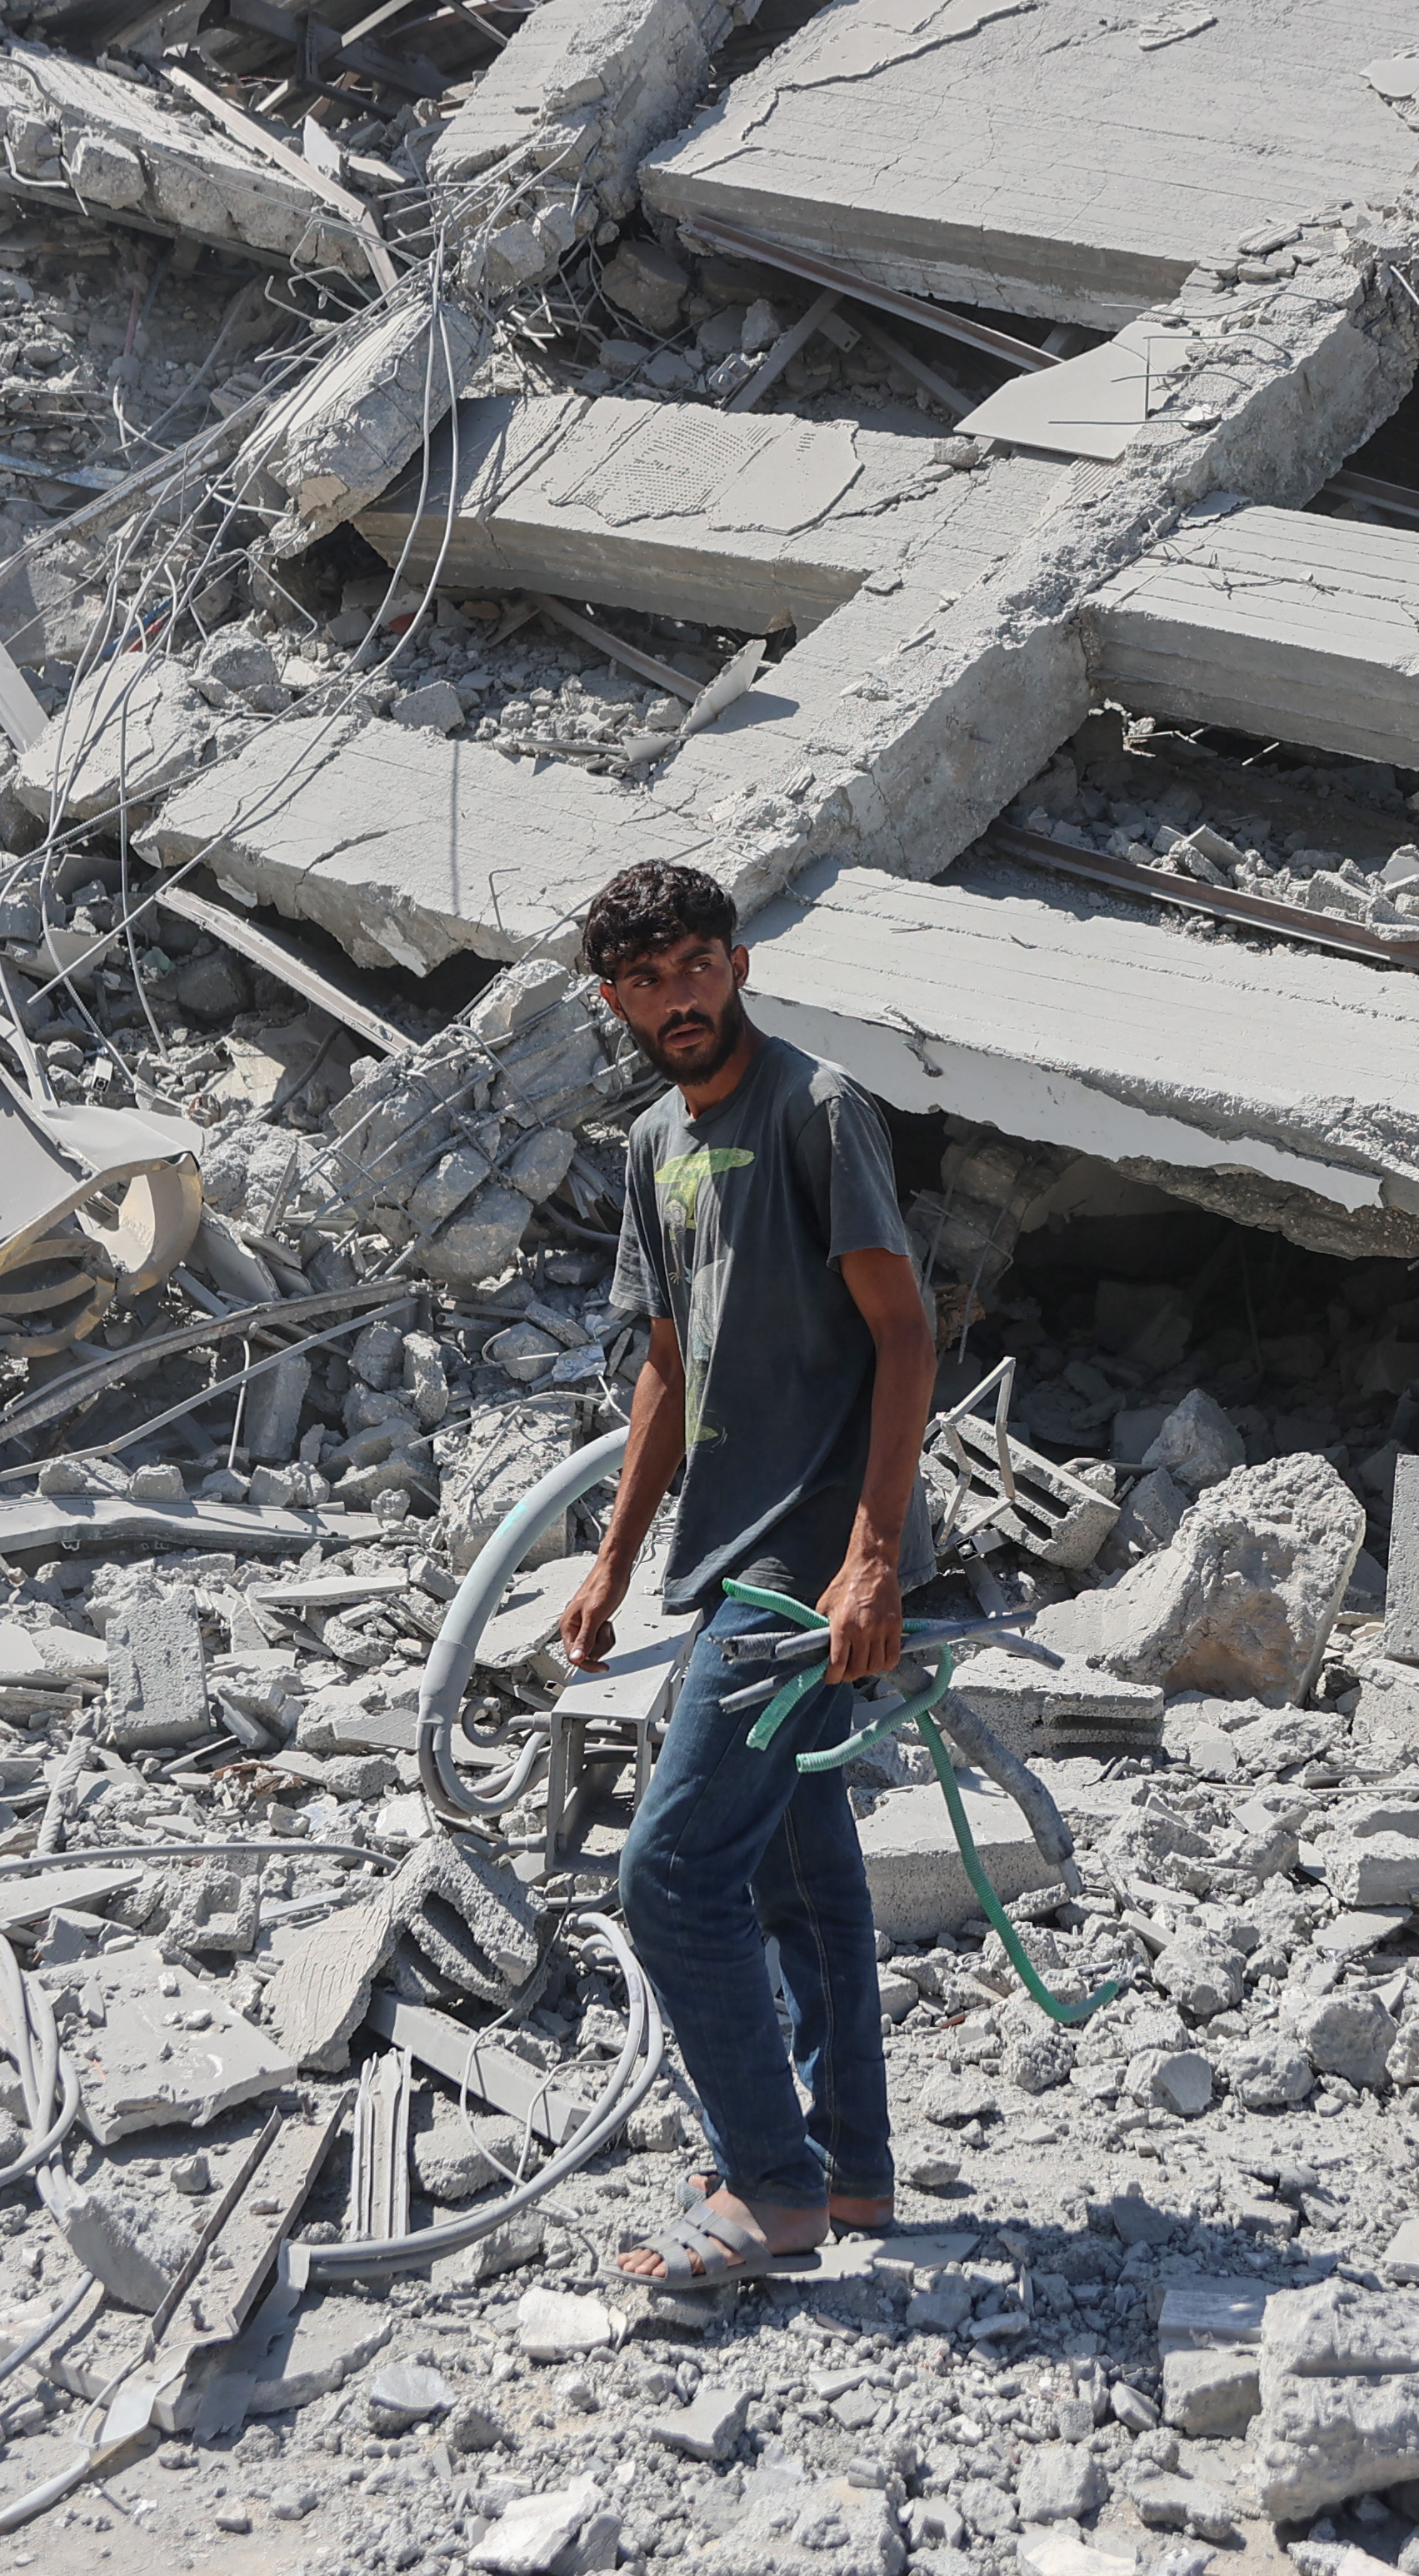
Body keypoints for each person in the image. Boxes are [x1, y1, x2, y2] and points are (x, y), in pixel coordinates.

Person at [558, 857, 934, 2294]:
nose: (680, 999)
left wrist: (873, 1557)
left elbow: (904, 1335)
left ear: (740, 964)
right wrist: (612, 1562)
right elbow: (666, 1360)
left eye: (697, 966)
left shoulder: (815, 1109)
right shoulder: (655, 1142)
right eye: (647, 982)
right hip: (730, 1548)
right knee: (795, 1865)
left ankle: (766, 2189)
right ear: (616, 1002)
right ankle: (844, 2168)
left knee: (670, 1875)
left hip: (811, 1563)